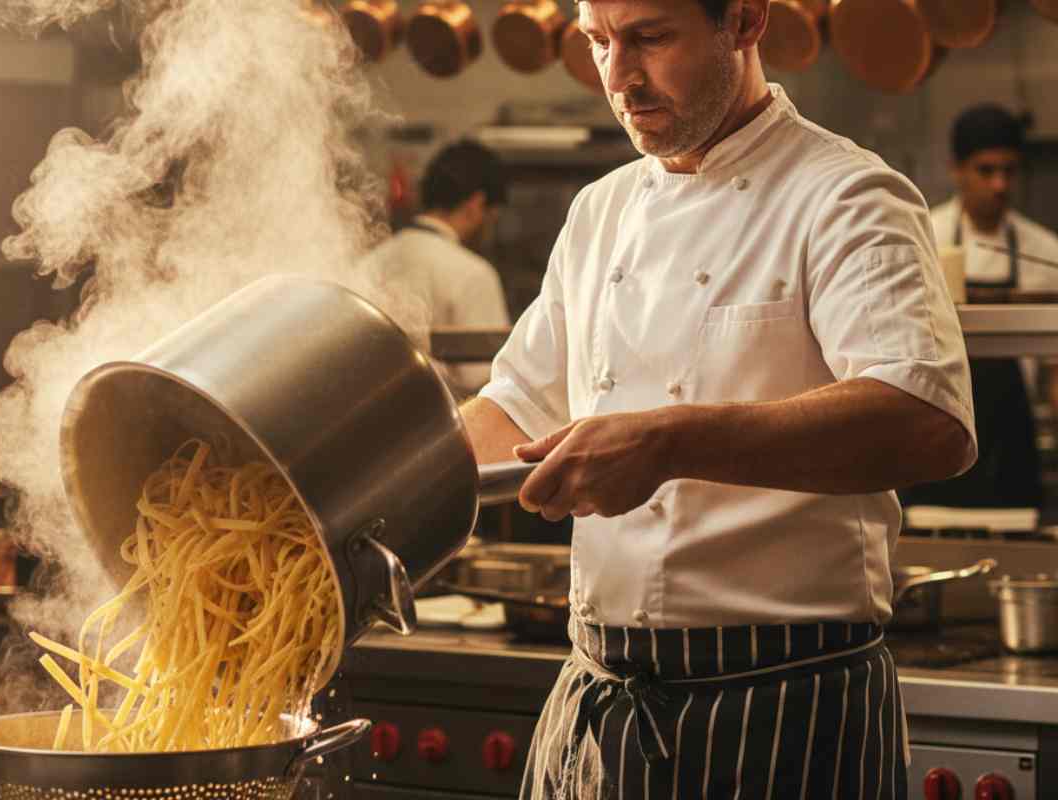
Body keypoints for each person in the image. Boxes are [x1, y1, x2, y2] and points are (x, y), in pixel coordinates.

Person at [459, 0, 977, 796]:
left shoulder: (845, 195)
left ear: (744, 20)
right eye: (599, 43)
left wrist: (670, 442)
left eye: (650, 39)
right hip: (600, 694)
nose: (619, 78)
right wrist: (354, 503)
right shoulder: (601, 211)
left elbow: (925, 420)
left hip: (784, 706)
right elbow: (516, 405)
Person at [901, 104, 1058, 509]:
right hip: (938, 433)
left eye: (1009, 171)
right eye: (986, 170)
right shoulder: (923, 237)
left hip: (1011, 441)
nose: (1000, 184)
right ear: (956, 168)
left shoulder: (1043, 250)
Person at [365, 140, 511, 397]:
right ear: (477, 205)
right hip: (446, 427)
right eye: (493, 218)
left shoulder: (370, 262)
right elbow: (488, 379)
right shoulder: (473, 272)